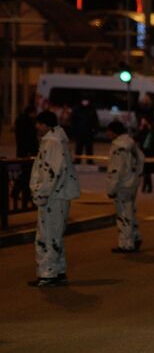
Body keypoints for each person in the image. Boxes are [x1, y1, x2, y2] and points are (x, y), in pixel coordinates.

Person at [28, 110, 81, 287]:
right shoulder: (58, 140)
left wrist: (40, 194)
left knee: (47, 235)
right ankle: (57, 271)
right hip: (58, 195)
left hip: (53, 197)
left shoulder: (52, 142)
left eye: (39, 123)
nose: (37, 127)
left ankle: (48, 274)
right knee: (55, 234)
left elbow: (50, 173)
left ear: (46, 125)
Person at [106, 120, 145, 253]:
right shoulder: (131, 143)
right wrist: (137, 175)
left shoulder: (118, 147)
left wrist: (111, 189)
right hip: (132, 183)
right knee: (130, 211)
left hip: (122, 185)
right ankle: (135, 236)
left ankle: (126, 243)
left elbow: (115, 170)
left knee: (123, 214)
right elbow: (141, 159)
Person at [13, 105, 38, 209]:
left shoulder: (20, 120)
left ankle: (18, 194)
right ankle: (23, 197)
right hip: (28, 154)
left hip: (22, 152)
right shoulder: (28, 122)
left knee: (24, 175)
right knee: (27, 176)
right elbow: (30, 138)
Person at [70, 98, 99, 164]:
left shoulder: (91, 109)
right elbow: (73, 121)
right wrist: (74, 130)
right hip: (80, 132)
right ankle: (77, 160)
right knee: (78, 147)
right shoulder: (77, 109)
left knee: (89, 148)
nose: (85, 102)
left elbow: (95, 120)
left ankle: (89, 160)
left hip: (88, 132)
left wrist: (95, 130)